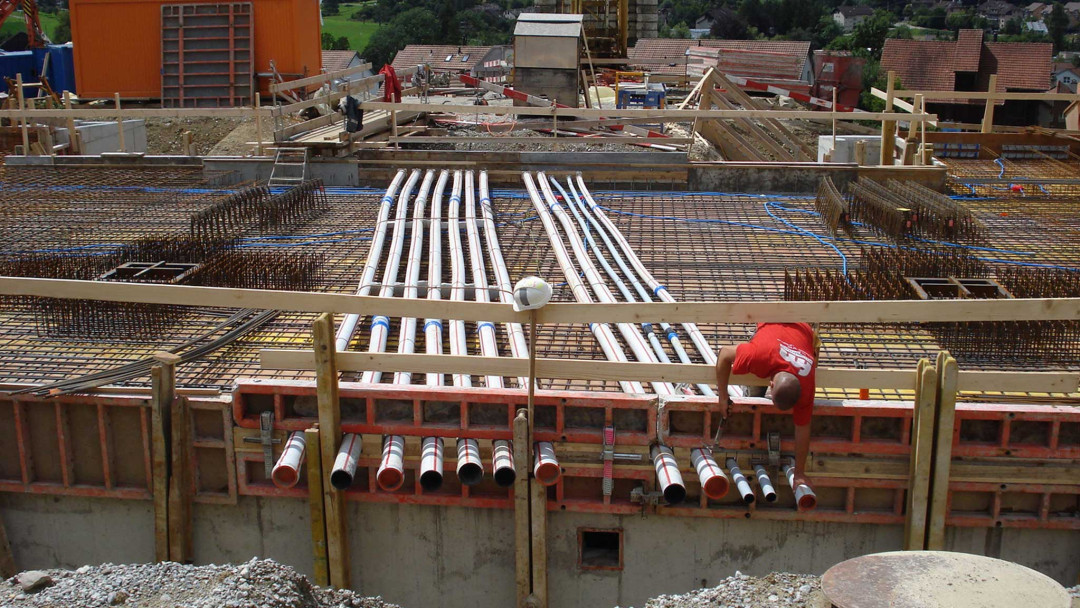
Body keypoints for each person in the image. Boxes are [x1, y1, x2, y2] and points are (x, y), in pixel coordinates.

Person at [714, 322, 818, 493]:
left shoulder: (807, 385)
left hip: (802, 328)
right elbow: (724, 353)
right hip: (773, 320)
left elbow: (803, 428)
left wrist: (800, 472)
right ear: (770, 385)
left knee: (754, 387)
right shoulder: (758, 355)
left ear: (771, 384)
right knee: (753, 392)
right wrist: (723, 397)